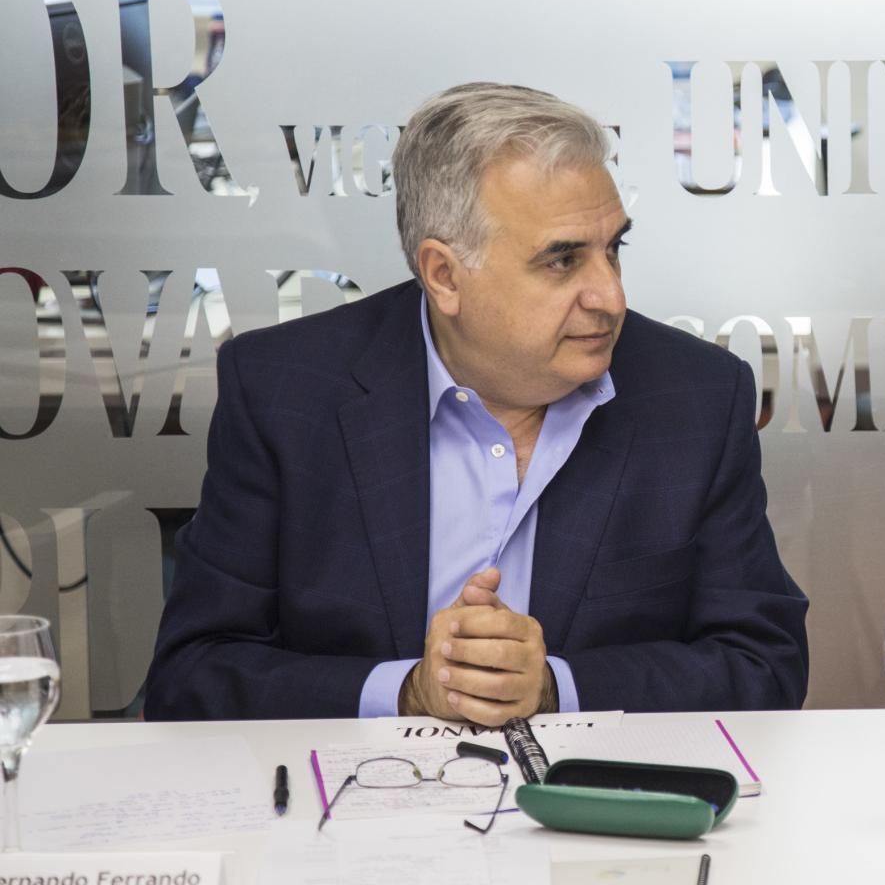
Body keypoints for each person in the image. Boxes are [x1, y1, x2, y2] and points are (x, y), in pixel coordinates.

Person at [145, 83, 809, 723]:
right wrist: (406, 692)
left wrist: (556, 686)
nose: (610, 296)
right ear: (444, 275)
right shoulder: (286, 392)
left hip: (599, 814)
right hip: (356, 812)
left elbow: (763, 664)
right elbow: (192, 677)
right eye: (562, 261)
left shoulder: (695, 397)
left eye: (613, 250)